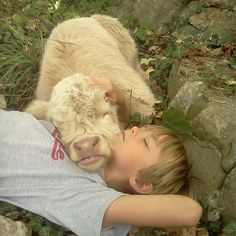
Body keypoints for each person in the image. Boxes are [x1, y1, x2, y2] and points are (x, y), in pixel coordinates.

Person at [0, 108, 202, 236]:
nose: (135, 130)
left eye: (145, 142)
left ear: (140, 183)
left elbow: (189, 211)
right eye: (140, 128)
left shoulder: (88, 196)